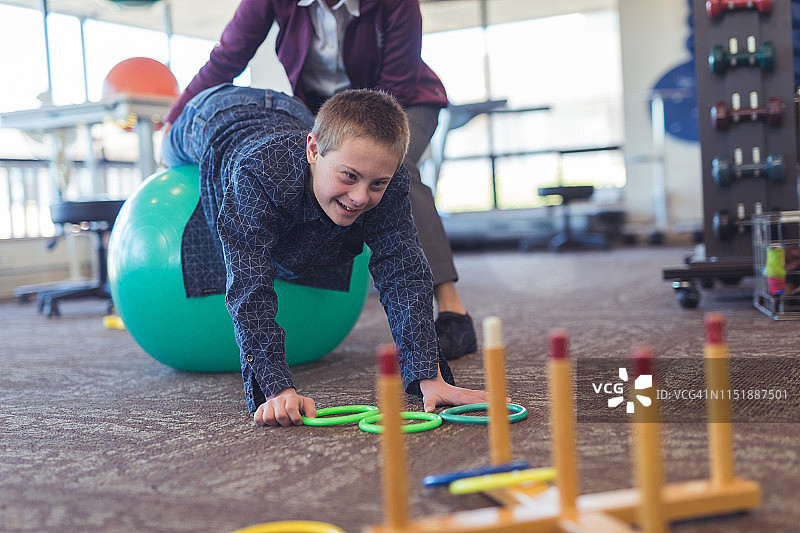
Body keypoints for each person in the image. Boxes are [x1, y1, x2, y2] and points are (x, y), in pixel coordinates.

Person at [164, 0, 476, 360]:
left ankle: (452, 311)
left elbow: (396, 87)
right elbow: (228, 55)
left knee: (394, 172)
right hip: (326, 109)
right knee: (331, 176)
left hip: (401, 101)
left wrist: (361, 156)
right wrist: (175, 119)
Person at [162, 83, 490, 426]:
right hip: (216, 115)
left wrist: (429, 375)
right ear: (314, 150)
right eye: (349, 176)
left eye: (376, 183)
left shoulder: (387, 180)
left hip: (287, 111)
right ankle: (166, 141)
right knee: (168, 151)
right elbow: (249, 285)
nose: (361, 197)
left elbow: (403, 270)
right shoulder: (254, 174)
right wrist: (277, 389)